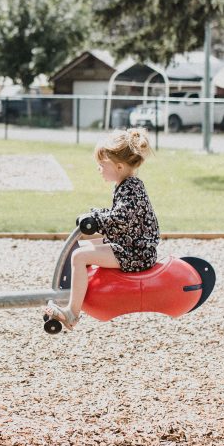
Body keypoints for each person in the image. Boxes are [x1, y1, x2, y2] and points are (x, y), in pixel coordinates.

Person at [46, 128, 160, 331]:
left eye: (101, 165)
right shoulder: (126, 185)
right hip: (130, 245)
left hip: (136, 252)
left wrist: (97, 219)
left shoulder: (131, 188)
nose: (99, 169)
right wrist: (96, 216)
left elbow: (122, 218)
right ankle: (82, 291)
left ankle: (72, 313)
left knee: (79, 256)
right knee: (84, 245)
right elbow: (119, 214)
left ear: (118, 166)